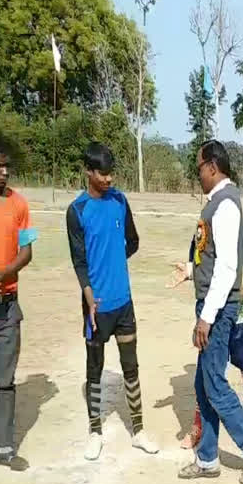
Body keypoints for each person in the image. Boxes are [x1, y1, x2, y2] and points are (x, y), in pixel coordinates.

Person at [177, 140, 243, 484]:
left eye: (199, 167)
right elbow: (214, 257)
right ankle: (207, 459)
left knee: (215, 384)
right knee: (203, 383)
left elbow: (230, 266)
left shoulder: (226, 205)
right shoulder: (216, 204)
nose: (197, 173)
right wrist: (191, 271)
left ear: (213, 167)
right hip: (210, 304)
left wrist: (207, 316)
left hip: (218, 308)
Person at [66, 142, 159, 461]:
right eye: (102, 174)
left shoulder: (120, 200)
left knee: (130, 367)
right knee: (95, 368)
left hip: (124, 303)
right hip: (96, 306)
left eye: (110, 173)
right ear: (88, 172)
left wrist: (115, 262)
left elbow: (132, 241)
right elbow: (79, 261)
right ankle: (95, 432)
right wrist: (90, 296)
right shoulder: (76, 211)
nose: (108, 179)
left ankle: (139, 430)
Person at [168, 217, 243, 448]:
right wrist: (189, 271)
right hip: (212, 317)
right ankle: (198, 428)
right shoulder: (203, 226)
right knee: (207, 374)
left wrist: (239, 296)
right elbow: (200, 264)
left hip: (240, 316)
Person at [0, 139, 36, 471]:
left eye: (6, 165)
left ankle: (5, 447)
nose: (4, 171)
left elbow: (27, 250)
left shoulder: (20, 205)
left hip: (7, 306)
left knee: (4, 380)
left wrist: (8, 271)